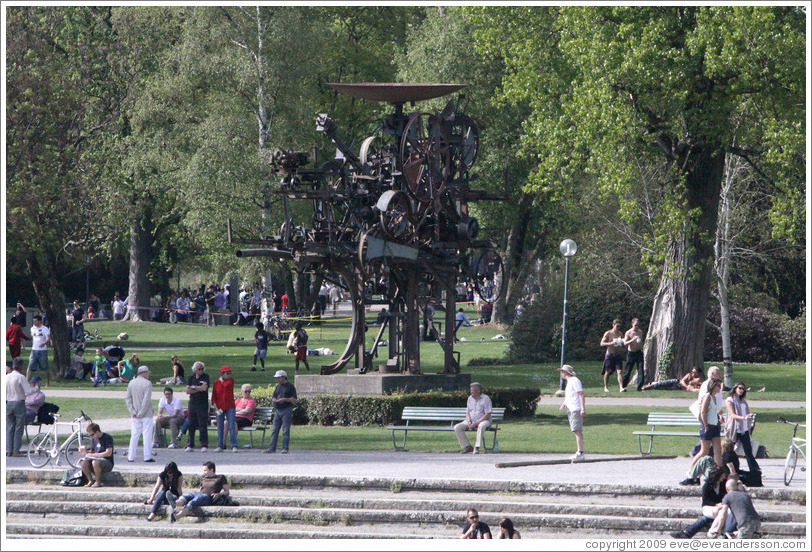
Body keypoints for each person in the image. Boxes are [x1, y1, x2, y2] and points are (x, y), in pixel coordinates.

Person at [671, 465, 730, 539]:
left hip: (720, 507)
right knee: (710, 516)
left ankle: (687, 533)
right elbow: (705, 501)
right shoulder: (707, 486)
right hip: (709, 506)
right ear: (718, 476)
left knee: (705, 519)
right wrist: (716, 505)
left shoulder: (723, 484)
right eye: (722, 476)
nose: (724, 477)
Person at [687, 378, 723, 474]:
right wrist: (706, 425)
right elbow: (703, 412)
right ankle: (691, 470)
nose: (720, 388)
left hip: (715, 426)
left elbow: (712, 411)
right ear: (713, 386)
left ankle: (719, 472)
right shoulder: (707, 396)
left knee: (718, 451)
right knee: (704, 451)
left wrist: (718, 414)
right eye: (718, 386)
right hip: (707, 426)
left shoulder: (715, 397)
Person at [725, 381, 761, 478]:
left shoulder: (743, 401)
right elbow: (732, 415)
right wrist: (744, 417)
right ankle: (727, 468)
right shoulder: (730, 399)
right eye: (739, 388)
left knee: (748, 451)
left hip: (744, 429)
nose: (741, 390)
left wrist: (748, 421)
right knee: (729, 450)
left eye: (743, 388)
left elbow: (746, 413)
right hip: (734, 429)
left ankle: (755, 470)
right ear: (735, 388)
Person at [125, 365, 155, 462]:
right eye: (148, 373)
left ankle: (131, 456)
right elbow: (146, 400)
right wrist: (141, 413)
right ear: (145, 373)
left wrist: (133, 411)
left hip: (134, 414)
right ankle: (147, 456)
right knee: (147, 435)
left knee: (134, 435)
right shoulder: (148, 384)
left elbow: (128, 399)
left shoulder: (131, 383)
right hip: (146, 414)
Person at [6, 357, 34, 456]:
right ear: (21, 367)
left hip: (8, 402)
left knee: (9, 427)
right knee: (19, 427)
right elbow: (28, 391)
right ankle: (16, 450)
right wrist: (35, 389)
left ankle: (8, 449)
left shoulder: (6, 377)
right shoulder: (21, 377)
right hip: (19, 402)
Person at [454, 382, 492, 454]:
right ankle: (468, 447)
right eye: (471, 391)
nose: (472, 392)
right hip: (471, 421)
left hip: (484, 420)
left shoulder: (486, 399)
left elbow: (488, 414)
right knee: (457, 427)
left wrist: (476, 423)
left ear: (479, 391)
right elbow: (467, 413)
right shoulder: (470, 398)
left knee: (481, 425)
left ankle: (477, 447)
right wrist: (469, 422)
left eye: (473, 391)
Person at [265, 370, 297, 454]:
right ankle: (272, 448)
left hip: (286, 409)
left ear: (284, 377)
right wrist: (274, 400)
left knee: (285, 430)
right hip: (278, 410)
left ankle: (285, 448)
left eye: (279, 377)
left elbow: (294, 399)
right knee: (274, 430)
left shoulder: (290, 387)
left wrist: (285, 399)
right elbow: (273, 397)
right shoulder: (277, 387)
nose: (278, 379)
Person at [558, 365, 586, 461]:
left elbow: (581, 394)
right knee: (575, 430)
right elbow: (570, 395)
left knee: (577, 430)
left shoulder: (574, 380)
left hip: (575, 409)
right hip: (571, 409)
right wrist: (564, 403)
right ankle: (579, 452)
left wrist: (582, 408)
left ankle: (580, 453)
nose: (561, 374)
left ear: (566, 373)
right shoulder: (569, 382)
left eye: (562, 372)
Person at [79, 422, 115, 487]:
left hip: (107, 462)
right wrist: (86, 451)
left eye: (92, 434)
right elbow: (92, 452)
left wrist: (94, 455)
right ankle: (90, 480)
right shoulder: (93, 439)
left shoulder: (107, 438)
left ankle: (98, 481)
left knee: (95, 462)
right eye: (90, 435)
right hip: (96, 460)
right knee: (83, 463)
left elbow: (108, 453)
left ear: (97, 431)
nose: (91, 436)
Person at [212, 365, 238, 453]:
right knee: (220, 427)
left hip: (230, 407)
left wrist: (222, 381)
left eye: (230, 373)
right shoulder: (216, 383)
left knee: (231, 426)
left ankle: (234, 445)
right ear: (222, 374)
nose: (229, 375)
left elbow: (227, 386)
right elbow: (214, 396)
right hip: (219, 408)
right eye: (227, 373)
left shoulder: (231, 381)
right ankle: (220, 445)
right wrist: (215, 407)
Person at [185, 361, 210, 452]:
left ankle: (204, 444)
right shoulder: (191, 377)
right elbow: (187, 391)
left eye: (202, 369)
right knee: (191, 424)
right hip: (192, 403)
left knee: (202, 424)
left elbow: (204, 388)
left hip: (202, 403)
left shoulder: (206, 377)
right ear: (195, 369)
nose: (201, 371)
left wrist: (193, 387)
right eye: (199, 369)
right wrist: (198, 388)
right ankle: (190, 444)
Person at [599, 318, 625, 392]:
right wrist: (610, 343)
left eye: (619, 326)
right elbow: (601, 343)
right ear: (613, 325)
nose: (618, 328)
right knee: (607, 372)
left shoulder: (620, 334)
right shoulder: (608, 333)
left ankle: (621, 387)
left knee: (619, 371)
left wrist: (621, 343)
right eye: (617, 326)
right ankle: (606, 387)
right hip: (610, 355)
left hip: (617, 355)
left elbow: (623, 343)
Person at [621, 317, 645, 391]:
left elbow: (641, 341)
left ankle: (639, 387)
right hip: (631, 353)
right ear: (632, 324)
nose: (637, 327)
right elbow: (625, 343)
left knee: (640, 369)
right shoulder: (628, 332)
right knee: (628, 370)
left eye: (638, 325)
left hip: (639, 352)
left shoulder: (640, 332)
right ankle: (623, 385)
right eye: (635, 325)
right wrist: (632, 340)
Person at [27, 314, 51, 385]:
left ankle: (47, 383)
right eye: (34, 321)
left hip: (42, 351)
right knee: (30, 366)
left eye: (36, 321)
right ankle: (26, 381)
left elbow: (48, 338)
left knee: (45, 367)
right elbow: (33, 338)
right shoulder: (32, 328)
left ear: (40, 321)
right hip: (34, 350)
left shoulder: (45, 329)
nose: (34, 323)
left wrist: (44, 343)